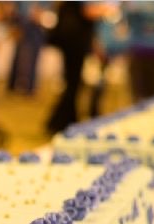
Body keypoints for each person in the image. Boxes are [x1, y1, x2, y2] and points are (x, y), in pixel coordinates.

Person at [46, 2, 111, 134]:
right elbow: (88, 11)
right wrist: (106, 11)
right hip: (75, 40)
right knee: (73, 83)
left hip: (70, 38)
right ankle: (60, 121)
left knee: (72, 83)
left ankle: (66, 119)